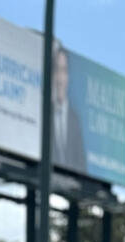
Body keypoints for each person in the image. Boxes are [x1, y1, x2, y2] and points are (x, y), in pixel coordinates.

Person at [50, 42, 86, 173]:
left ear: (68, 76)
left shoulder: (74, 119)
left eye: (64, 71)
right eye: (57, 71)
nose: (60, 79)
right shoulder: (42, 113)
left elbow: (82, 166)